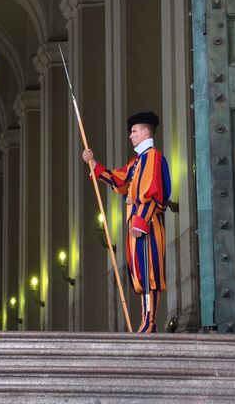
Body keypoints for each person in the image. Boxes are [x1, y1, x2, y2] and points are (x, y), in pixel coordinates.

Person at [82, 111, 171, 334]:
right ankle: (145, 319)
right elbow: (120, 180)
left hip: (147, 224)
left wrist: (142, 219)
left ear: (144, 131)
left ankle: (150, 321)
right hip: (137, 225)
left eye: (133, 132)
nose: (130, 136)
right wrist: (94, 163)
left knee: (150, 272)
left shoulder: (153, 157)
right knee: (140, 272)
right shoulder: (136, 162)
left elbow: (155, 191)